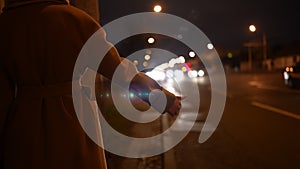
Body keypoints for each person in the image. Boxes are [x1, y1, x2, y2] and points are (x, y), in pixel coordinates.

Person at [0, 0, 181, 169]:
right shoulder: (75, 20)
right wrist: (164, 99)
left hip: (22, 128)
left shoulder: (6, 24)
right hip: (73, 118)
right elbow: (120, 71)